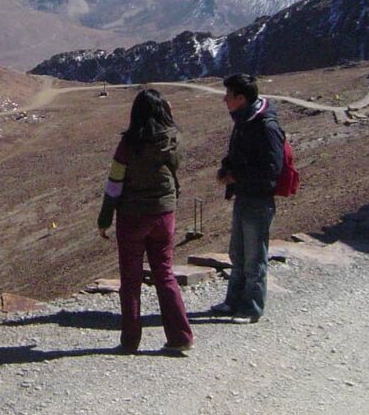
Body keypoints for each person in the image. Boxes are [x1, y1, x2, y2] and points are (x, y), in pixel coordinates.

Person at [97, 88, 194, 354]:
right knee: (165, 274)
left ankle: (130, 341)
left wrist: (105, 218)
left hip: (133, 217)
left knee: (130, 280)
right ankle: (180, 337)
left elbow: (114, 184)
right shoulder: (172, 140)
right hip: (164, 215)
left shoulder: (128, 145)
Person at [210, 73, 284, 324]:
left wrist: (236, 176)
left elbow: (272, 168)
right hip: (244, 195)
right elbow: (237, 154)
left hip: (258, 198)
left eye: (228, 95)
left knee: (254, 255)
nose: (225, 100)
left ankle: (251, 307)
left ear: (241, 98)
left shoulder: (265, 126)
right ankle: (233, 302)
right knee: (238, 253)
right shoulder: (244, 121)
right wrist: (226, 170)